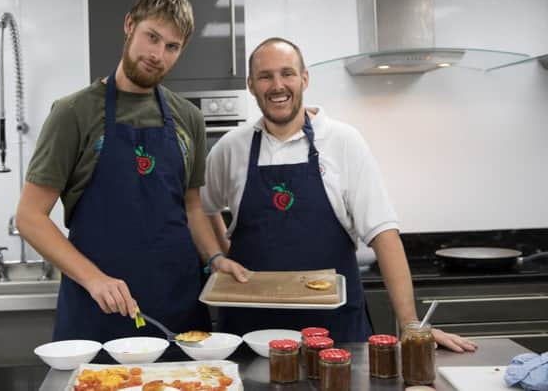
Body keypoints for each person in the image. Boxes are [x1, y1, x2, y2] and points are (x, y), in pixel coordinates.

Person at [201, 37, 477, 352]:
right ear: (251, 85)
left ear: (304, 78)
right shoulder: (230, 147)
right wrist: (220, 254)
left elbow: (383, 234)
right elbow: (201, 206)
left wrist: (411, 324)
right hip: (249, 332)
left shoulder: (343, 141)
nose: (278, 85)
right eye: (265, 76)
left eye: (287, 73)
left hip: (334, 336)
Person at [16, 0, 245, 345]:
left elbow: (191, 207)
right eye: (152, 37)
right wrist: (94, 279)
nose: (158, 55)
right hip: (99, 311)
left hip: (178, 307)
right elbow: (30, 217)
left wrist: (214, 256)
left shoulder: (189, 119)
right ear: (129, 25)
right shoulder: (73, 113)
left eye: (172, 46)